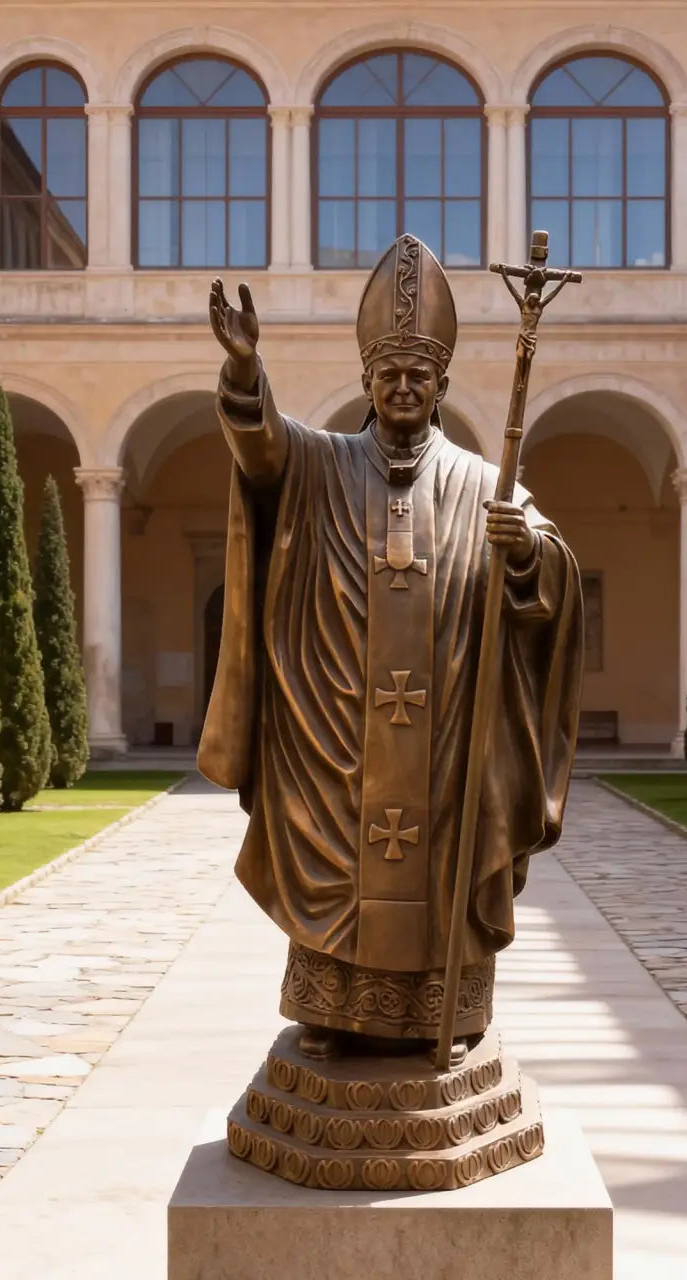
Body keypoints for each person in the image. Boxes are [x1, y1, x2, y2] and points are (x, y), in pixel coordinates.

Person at [199, 234, 583, 1066]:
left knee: (443, 858)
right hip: (338, 735)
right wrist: (242, 371)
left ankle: (448, 1009)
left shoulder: (489, 484)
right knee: (334, 850)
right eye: (389, 375)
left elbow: (554, 570)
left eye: (419, 376)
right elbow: (260, 447)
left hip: (447, 737)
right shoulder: (322, 463)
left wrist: (525, 551)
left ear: (442, 386)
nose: (404, 386)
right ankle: (333, 1010)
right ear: (368, 384)